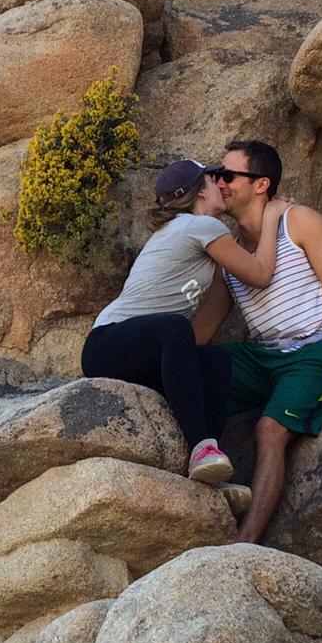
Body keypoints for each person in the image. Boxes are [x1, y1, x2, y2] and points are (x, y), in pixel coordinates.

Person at [198, 139, 322, 544]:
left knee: (269, 430)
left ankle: (242, 545)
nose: (220, 182)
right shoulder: (228, 247)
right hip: (262, 354)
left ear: (261, 183)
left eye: (228, 175)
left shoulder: (298, 221)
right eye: (217, 175)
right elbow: (206, 328)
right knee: (199, 373)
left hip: (316, 350)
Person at [81, 157, 290, 486]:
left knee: (215, 360)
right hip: (107, 346)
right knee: (173, 328)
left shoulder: (191, 234)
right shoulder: (200, 227)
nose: (221, 183)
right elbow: (261, 274)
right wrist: (274, 217)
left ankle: (209, 472)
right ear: (200, 191)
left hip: (139, 354)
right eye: (215, 177)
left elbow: (200, 335)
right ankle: (201, 448)